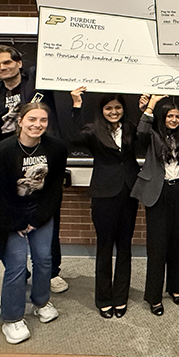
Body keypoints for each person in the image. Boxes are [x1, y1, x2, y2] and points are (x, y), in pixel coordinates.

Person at [0, 44, 68, 295]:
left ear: (19, 63)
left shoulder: (39, 80)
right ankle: (19, 274)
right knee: (8, 219)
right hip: (8, 164)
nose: (3, 68)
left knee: (48, 217)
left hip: (41, 157)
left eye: (7, 62)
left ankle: (51, 272)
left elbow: (59, 60)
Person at [0, 102, 67, 344]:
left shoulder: (57, 149)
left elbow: (53, 189)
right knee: (17, 266)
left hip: (40, 213)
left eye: (42, 120)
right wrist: (17, 222)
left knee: (44, 260)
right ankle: (12, 318)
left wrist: (38, 218)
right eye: (32, 119)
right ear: (20, 121)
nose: (37, 125)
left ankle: (41, 302)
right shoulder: (0, 153)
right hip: (8, 216)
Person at [132, 94, 179, 316]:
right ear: (163, 117)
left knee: (178, 242)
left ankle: (175, 289)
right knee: (157, 246)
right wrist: (152, 103)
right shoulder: (153, 134)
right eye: (170, 116)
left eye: (177, 116)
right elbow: (141, 131)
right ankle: (154, 297)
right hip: (159, 191)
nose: (174, 120)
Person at [67, 87, 140, 318]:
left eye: (118, 107)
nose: (114, 111)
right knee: (105, 247)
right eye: (109, 108)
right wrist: (76, 105)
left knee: (125, 248)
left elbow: (148, 136)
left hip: (128, 194)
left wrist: (148, 107)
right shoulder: (92, 130)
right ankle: (104, 299)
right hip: (103, 195)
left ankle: (121, 297)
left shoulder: (130, 128)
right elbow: (73, 138)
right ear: (102, 110)